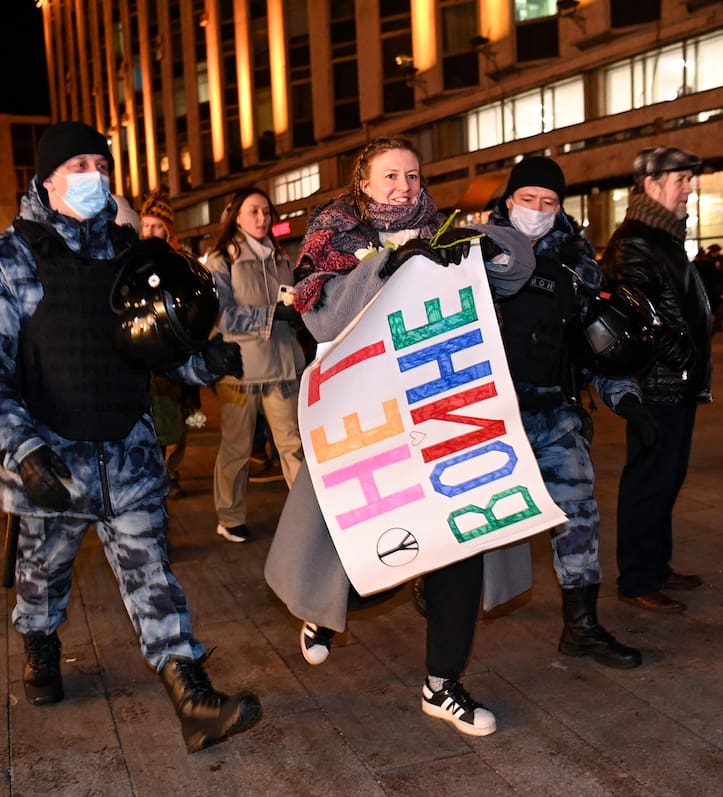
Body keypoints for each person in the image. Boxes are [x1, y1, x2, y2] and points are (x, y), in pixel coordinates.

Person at [0, 120, 260, 753]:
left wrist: (204, 363)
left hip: (126, 447)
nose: (95, 175)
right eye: (80, 164)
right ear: (46, 178)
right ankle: (39, 641)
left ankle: (192, 695)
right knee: (44, 573)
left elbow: (155, 347)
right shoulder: (5, 258)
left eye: (101, 163)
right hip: (48, 454)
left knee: (154, 575)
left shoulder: (126, 253)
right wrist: (19, 448)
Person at [265, 136, 536, 737]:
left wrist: (484, 243)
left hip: (441, 416)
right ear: (363, 181)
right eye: (390, 177)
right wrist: (389, 264)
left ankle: (443, 685)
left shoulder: (440, 232)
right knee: (369, 560)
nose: (404, 188)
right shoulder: (332, 235)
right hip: (369, 425)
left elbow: (514, 273)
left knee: (460, 542)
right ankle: (327, 612)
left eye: (413, 177)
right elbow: (321, 316)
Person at [487, 156, 641, 669]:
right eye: (527, 199)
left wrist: (625, 397)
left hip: (555, 415)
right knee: (469, 523)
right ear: (509, 201)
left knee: (579, 516)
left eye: (548, 202)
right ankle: (440, 595)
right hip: (487, 419)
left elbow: (593, 342)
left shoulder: (576, 263)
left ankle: (582, 627)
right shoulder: (473, 256)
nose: (536, 209)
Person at [600, 146, 713, 615]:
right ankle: (638, 578)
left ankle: (657, 565)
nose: (691, 188)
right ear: (651, 185)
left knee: (668, 476)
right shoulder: (636, 242)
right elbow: (638, 318)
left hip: (676, 382)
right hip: (657, 385)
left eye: (691, 179)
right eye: (681, 179)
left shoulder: (664, 236)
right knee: (648, 480)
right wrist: (681, 356)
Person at [204, 187, 306, 543]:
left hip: (281, 365)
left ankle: (307, 521)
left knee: (292, 446)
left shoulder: (281, 256)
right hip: (240, 368)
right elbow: (220, 314)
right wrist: (271, 313)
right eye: (253, 212)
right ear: (237, 216)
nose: (262, 219)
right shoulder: (221, 258)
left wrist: (296, 310)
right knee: (236, 446)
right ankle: (229, 516)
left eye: (266, 212)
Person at [140, 188, 202, 497]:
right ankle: (154, 473)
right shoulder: (132, 262)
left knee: (176, 420)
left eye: (157, 227)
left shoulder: (180, 263)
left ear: (167, 231)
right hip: (142, 358)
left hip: (174, 358)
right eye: (146, 225)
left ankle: (171, 470)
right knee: (152, 421)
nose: (150, 232)